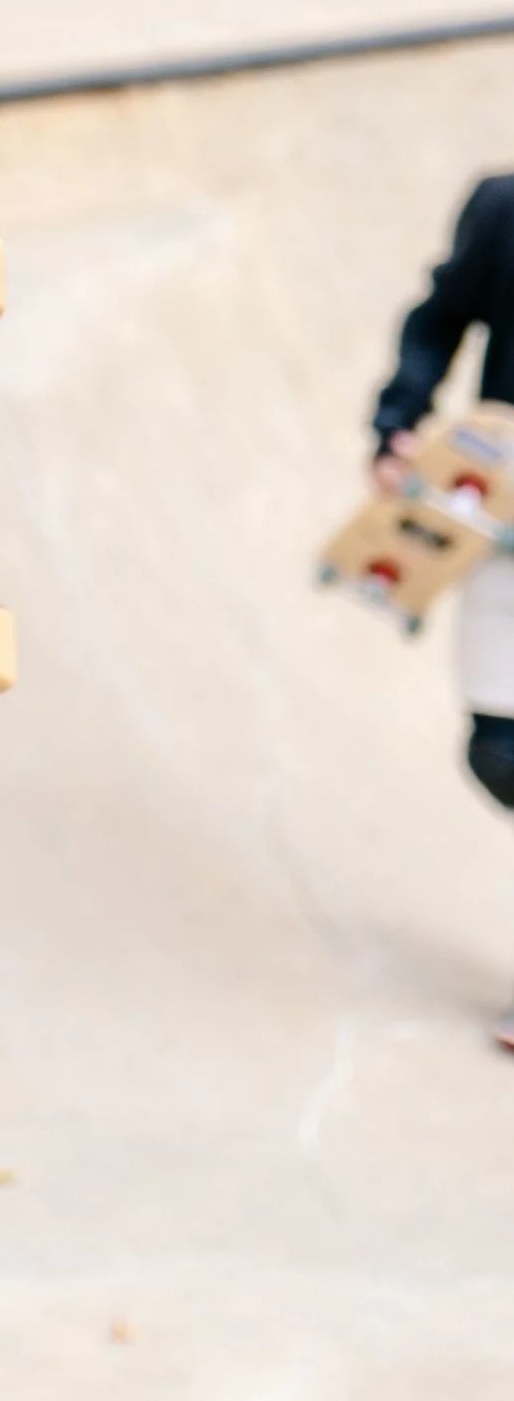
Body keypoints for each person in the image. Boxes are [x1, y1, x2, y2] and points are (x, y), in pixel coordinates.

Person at [373, 171, 514, 1052]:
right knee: (498, 749)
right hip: (500, 519)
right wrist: (398, 424)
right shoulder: (504, 210)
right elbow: (435, 323)